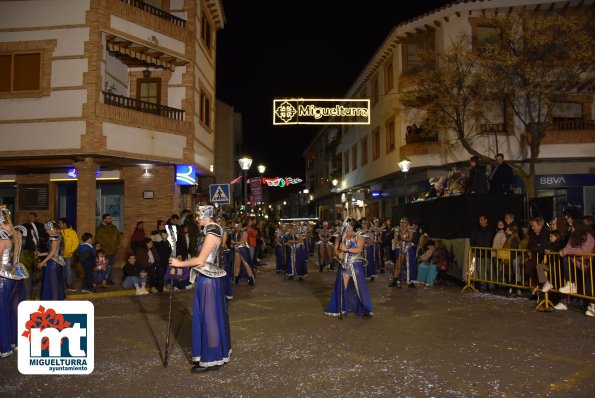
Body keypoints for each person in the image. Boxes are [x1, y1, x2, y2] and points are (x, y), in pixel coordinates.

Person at [169, 204, 231, 373]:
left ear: (205, 215)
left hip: (209, 280)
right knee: (209, 318)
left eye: (198, 216)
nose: (196, 219)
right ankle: (215, 355)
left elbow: (200, 260)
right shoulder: (210, 230)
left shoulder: (212, 232)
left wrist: (179, 264)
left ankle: (212, 358)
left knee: (209, 319)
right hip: (207, 278)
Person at [324, 222, 373, 318]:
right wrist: (338, 254)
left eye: (348, 228)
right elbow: (335, 247)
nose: (346, 230)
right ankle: (341, 308)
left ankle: (365, 309)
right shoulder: (341, 236)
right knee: (342, 286)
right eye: (345, 229)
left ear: (351, 228)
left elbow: (358, 249)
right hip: (345, 265)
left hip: (356, 264)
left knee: (360, 287)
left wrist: (346, 250)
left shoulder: (359, 236)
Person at [0, 207, 28, 358]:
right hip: (17, 277)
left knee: (2, 312)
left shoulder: (2, 236)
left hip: (2, 278)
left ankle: (4, 347)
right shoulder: (17, 233)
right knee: (15, 311)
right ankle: (15, 342)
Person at [38, 221, 65, 300]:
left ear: (51, 228)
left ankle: (54, 306)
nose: (46, 231)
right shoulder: (59, 235)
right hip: (58, 262)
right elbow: (55, 251)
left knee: (53, 286)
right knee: (56, 284)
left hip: (52, 264)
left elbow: (52, 252)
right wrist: (41, 254)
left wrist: (43, 262)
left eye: (47, 229)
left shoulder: (53, 237)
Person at [22, 211, 47, 299]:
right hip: (27, 253)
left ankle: (37, 294)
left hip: (38, 253)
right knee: (28, 274)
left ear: (35, 218)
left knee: (38, 273)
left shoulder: (40, 226)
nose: (30, 218)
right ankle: (28, 294)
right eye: (29, 217)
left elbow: (44, 239)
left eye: (32, 217)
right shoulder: (23, 226)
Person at [95, 213, 120, 285]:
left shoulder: (114, 227)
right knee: (103, 266)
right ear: (104, 219)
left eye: (110, 218)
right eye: (108, 218)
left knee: (111, 266)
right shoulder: (100, 229)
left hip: (113, 250)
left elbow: (118, 238)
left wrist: (116, 246)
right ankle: (102, 280)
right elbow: (98, 240)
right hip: (104, 251)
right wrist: (103, 249)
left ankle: (109, 279)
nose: (110, 219)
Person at [58, 218, 79, 292]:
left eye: (60, 223)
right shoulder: (58, 232)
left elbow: (76, 243)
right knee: (61, 271)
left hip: (68, 255)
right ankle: (62, 286)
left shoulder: (72, 232)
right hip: (59, 256)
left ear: (64, 224)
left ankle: (69, 284)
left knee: (68, 270)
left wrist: (70, 251)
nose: (59, 225)